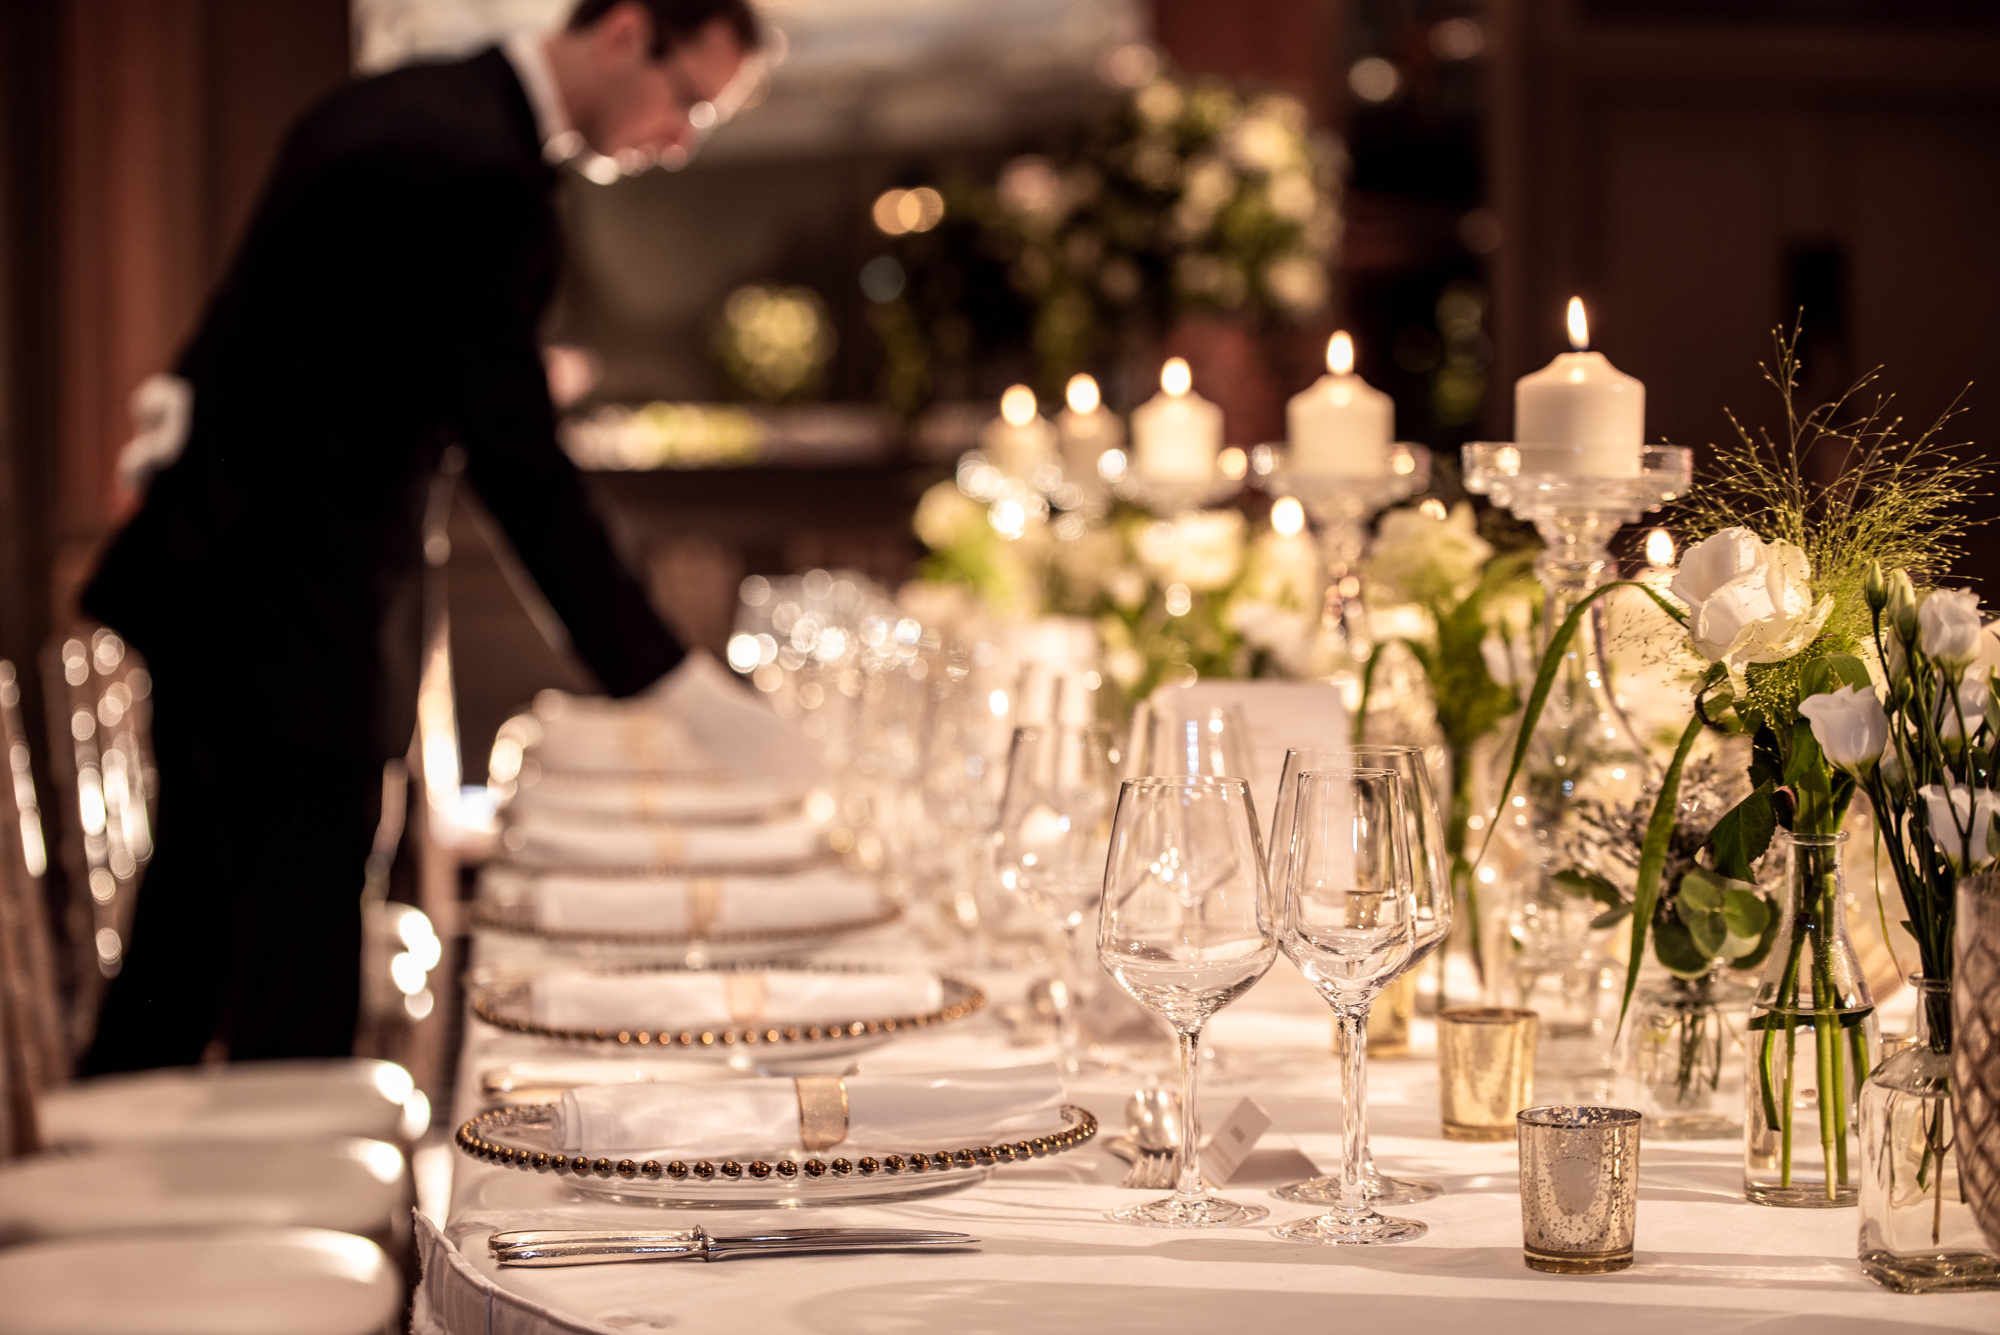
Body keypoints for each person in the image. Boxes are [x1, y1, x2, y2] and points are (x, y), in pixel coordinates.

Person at [78, 0, 761, 1074]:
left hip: (233, 598)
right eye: (690, 103)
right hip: (294, 627)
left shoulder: (406, 111)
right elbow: (518, 467)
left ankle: (113, 1208)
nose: (678, 139)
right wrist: (670, 681)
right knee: (279, 1015)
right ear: (628, 31)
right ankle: (253, 1235)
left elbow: (293, 341)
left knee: (188, 958)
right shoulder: (469, 165)